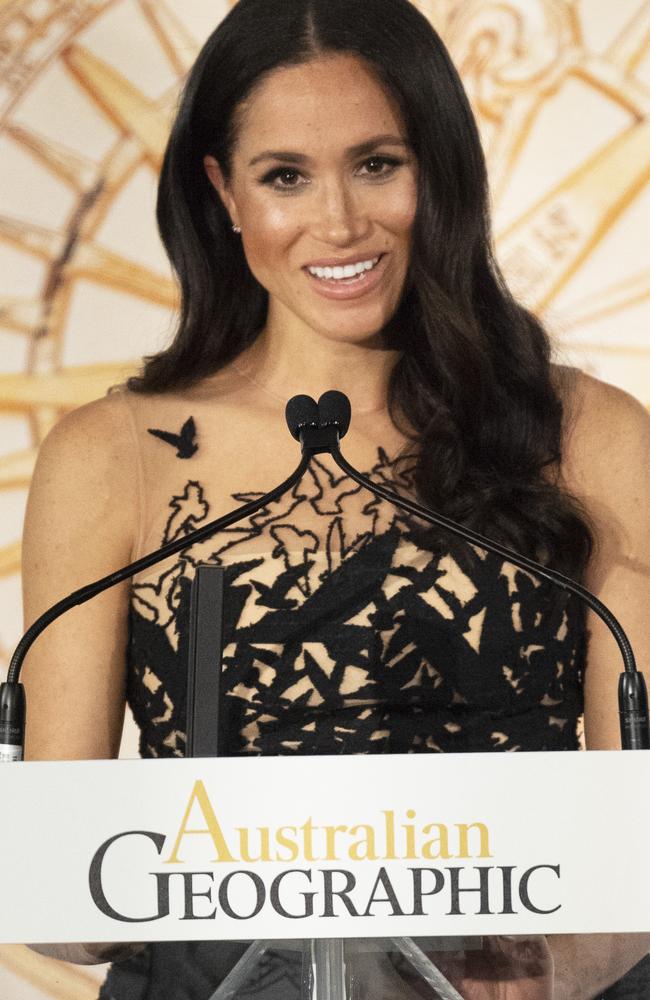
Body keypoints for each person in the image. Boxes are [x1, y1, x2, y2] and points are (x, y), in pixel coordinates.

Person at [20, 0, 649, 997]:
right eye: (284, 177)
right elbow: (67, 895)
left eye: (376, 164)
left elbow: (643, 830)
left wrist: (550, 966)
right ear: (222, 192)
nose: (340, 223)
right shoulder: (113, 454)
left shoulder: (589, 435)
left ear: (435, 168)